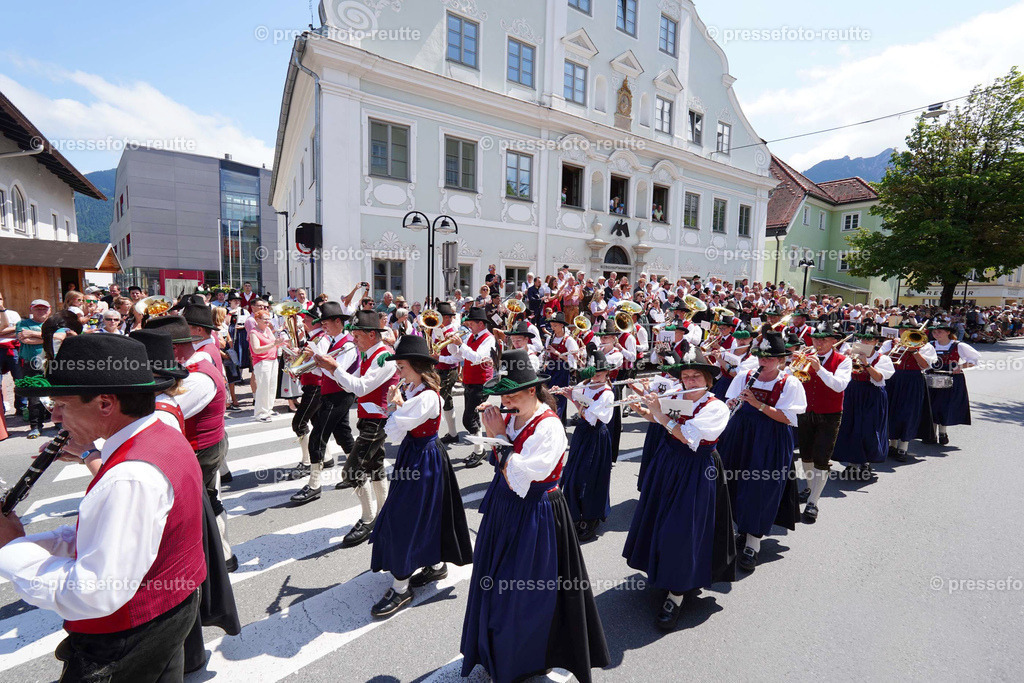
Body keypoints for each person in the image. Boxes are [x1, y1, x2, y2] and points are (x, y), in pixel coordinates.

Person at [1, 334, 206, 680]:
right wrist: (35, 541)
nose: (54, 416)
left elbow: (94, 593)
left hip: (125, 639)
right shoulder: (162, 432)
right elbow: (107, 532)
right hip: (167, 612)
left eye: (62, 404)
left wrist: (11, 549)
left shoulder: (129, 477)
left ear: (106, 403)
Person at [460, 349, 609, 683]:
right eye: (503, 395)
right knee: (496, 582)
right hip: (505, 507)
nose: (505, 401)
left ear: (532, 390)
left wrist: (498, 437)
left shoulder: (549, 427)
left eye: (512, 394)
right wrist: (497, 431)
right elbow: (503, 466)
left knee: (524, 593)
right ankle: (495, 650)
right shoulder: (513, 415)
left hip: (536, 514)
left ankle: (524, 660)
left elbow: (522, 477)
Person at [129, 328, 241, 673]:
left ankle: (224, 553)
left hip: (200, 454)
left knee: (176, 568)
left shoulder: (191, 384)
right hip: (189, 461)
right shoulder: (188, 377)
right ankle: (191, 653)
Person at [624, 344, 735, 630]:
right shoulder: (677, 394)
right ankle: (661, 573)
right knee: (659, 519)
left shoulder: (716, 407)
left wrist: (660, 414)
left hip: (696, 470)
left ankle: (676, 594)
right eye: (686, 377)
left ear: (708, 380)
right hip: (669, 463)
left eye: (696, 377)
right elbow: (663, 422)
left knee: (683, 529)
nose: (689, 382)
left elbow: (688, 436)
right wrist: (645, 410)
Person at [368, 335, 473, 617]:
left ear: (416, 366)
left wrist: (394, 406)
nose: (398, 373)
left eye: (401, 367)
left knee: (406, 518)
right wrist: (399, 405)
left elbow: (393, 430)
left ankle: (401, 589)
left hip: (422, 459)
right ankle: (435, 564)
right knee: (425, 514)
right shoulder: (415, 391)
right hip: (415, 455)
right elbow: (401, 427)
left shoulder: (426, 396)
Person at [145, 314, 236, 572]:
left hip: (202, 448)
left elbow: (163, 415)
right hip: (203, 445)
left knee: (205, 501)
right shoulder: (195, 366)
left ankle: (222, 556)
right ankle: (222, 555)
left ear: (172, 349)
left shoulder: (198, 376)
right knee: (207, 500)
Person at [718, 332, 807, 572]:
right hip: (740, 434)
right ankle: (743, 530)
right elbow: (729, 402)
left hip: (771, 438)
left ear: (781, 360)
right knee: (734, 483)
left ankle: (753, 545)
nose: (763, 361)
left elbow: (788, 418)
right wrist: (733, 404)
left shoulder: (790, 383)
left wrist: (757, 404)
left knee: (760, 487)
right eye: (761, 357)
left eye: (770, 358)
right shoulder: (745, 376)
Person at [317, 310, 400, 548]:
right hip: (367, 416)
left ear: (372, 334)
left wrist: (334, 369)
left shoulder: (384, 357)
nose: (353, 340)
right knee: (374, 466)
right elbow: (348, 381)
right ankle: (384, 514)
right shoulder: (367, 353)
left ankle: (368, 518)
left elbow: (361, 388)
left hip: (377, 419)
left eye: (357, 335)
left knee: (351, 471)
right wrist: (325, 365)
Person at [290, 302, 355, 504]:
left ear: (338, 321)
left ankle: (314, 485)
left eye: (325, 322)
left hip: (339, 394)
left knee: (318, 437)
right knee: (343, 434)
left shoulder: (347, 344)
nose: (323, 326)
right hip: (331, 392)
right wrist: (308, 362)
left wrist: (317, 358)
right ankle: (357, 473)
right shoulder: (335, 341)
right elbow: (323, 370)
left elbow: (339, 374)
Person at [797, 321, 852, 524]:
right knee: (806, 455)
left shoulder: (843, 361)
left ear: (833, 342)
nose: (818, 343)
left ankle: (813, 501)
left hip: (829, 414)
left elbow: (838, 386)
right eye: (816, 339)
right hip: (804, 412)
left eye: (823, 340)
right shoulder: (805, 356)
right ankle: (811, 487)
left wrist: (819, 369)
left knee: (821, 457)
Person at [557, 349, 615, 542]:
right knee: (573, 474)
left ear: (607, 373)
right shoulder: (586, 384)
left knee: (591, 479)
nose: (596, 376)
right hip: (582, 434)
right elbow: (578, 395)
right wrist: (568, 392)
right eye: (593, 373)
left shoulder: (607, 394)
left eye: (600, 373)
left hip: (596, 436)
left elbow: (593, 418)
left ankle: (590, 519)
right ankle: (573, 514)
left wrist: (572, 400)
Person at [834, 326, 894, 480]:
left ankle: (865, 461)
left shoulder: (883, 358)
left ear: (876, 342)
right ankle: (852, 462)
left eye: (869, 339)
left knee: (868, 428)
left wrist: (866, 364)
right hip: (853, 392)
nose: (865, 342)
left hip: (872, 394)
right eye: (863, 339)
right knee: (850, 426)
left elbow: (880, 378)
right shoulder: (852, 355)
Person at [447, 307, 495, 468]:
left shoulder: (488, 338)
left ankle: (480, 450)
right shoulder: (472, 337)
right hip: (469, 382)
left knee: (469, 419)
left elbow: (477, 358)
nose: (469, 326)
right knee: (473, 418)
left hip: (481, 383)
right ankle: (479, 449)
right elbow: (459, 356)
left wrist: (460, 344)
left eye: (471, 323)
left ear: (481, 323)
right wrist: (451, 345)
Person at [885, 323, 938, 462]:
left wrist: (914, 351)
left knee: (908, 412)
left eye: (907, 331)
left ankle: (903, 447)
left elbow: (925, 366)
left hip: (913, 380)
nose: (903, 332)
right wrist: (895, 348)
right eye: (901, 330)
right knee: (892, 411)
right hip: (893, 379)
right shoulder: (890, 344)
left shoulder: (925, 346)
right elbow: (881, 360)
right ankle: (892, 445)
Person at [926, 322, 978, 445]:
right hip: (931, 377)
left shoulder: (958, 345)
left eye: (939, 332)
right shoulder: (930, 345)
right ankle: (931, 434)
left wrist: (960, 366)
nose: (936, 334)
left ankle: (942, 432)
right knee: (931, 406)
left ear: (948, 332)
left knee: (944, 406)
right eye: (934, 332)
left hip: (951, 378)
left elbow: (974, 360)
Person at [14, 300, 50, 438]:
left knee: (55, 394)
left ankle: (57, 422)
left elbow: (58, 338)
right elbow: (24, 339)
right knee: (34, 396)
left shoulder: (53, 323)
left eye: (44, 309)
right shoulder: (22, 324)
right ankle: (35, 426)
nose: (41, 311)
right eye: (38, 309)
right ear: (31, 310)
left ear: (50, 310)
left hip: (51, 363)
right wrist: (47, 337)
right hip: (30, 364)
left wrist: (33, 335)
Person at [429, 301, 462, 445]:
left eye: (440, 316)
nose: (437, 319)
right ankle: (452, 433)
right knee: (445, 401)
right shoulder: (437, 329)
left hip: (448, 370)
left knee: (440, 401)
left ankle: (434, 434)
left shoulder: (451, 332)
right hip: (439, 368)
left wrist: (439, 358)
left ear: (447, 317)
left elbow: (457, 357)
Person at [542, 312, 579, 424]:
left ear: (562, 325)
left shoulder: (569, 340)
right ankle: (558, 421)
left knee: (559, 397)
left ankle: (556, 421)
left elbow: (573, 361)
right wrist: (546, 357)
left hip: (562, 371)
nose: (553, 328)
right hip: (551, 370)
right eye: (552, 326)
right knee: (548, 396)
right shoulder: (550, 339)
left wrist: (557, 353)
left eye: (555, 326)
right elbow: (548, 356)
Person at [248, 310, 284, 421]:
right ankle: (260, 413)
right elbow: (256, 349)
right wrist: (274, 344)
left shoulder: (268, 330)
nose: (268, 321)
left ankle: (268, 409)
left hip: (273, 360)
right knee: (263, 387)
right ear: (257, 320)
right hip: (262, 362)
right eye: (265, 319)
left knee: (272, 386)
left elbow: (274, 343)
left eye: (268, 319)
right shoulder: (253, 332)